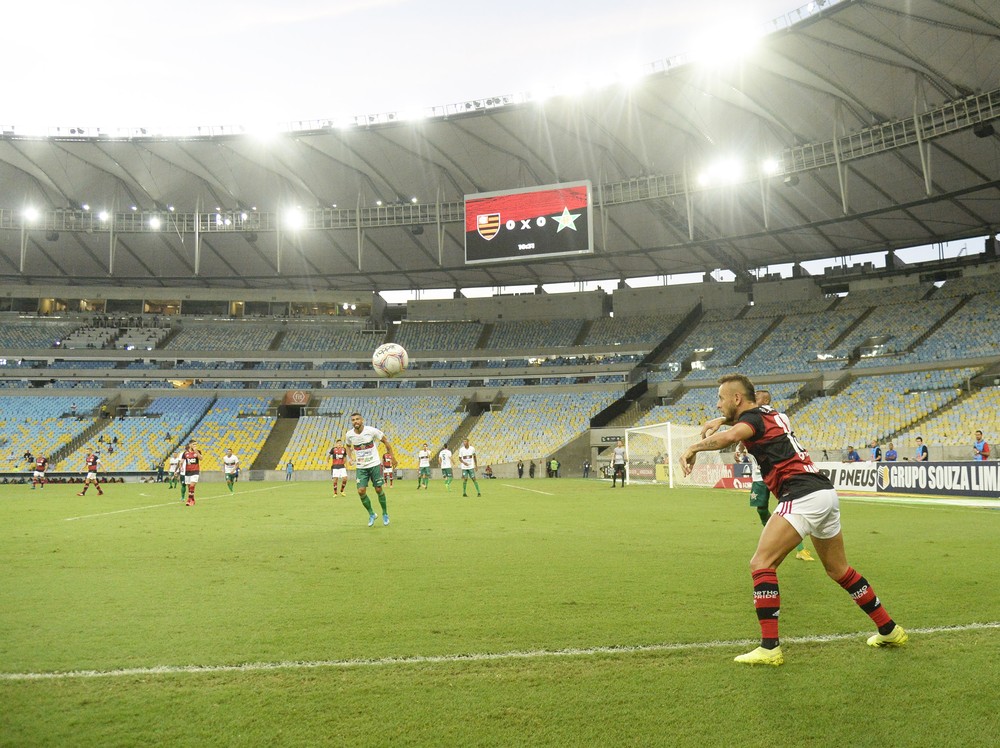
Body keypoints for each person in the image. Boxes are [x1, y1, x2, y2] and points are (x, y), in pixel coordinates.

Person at [681, 373, 907, 666]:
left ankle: (769, 647)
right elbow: (753, 414)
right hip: (824, 493)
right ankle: (888, 629)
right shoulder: (772, 414)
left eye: (721, 399)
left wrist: (693, 448)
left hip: (801, 495)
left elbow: (733, 436)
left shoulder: (751, 422)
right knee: (839, 570)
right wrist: (722, 419)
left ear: (736, 398)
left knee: (761, 563)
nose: (718, 404)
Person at [729, 391, 813, 562]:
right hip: (759, 476)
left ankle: (800, 549)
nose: (753, 401)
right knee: (761, 509)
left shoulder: (773, 418)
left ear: (765, 400)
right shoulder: (751, 421)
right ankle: (773, 537)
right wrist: (739, 449)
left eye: (756, 398)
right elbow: (743, 433)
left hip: (777, 474)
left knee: (789, 512)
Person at [344, 411, 395, 526]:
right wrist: (350, 458)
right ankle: (372, 514)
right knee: (361, 491)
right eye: (353, 420)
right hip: (361, 467)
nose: (355, 421)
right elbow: (347, 446)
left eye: (357, 419)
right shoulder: (349, 435)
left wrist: (392, 456)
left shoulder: (371, 431)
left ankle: (385, 513)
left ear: (362, 420)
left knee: (378, 489)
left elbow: (385, 441)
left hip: (374, 464)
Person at [180, 441, 202, 506]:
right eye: (193, 444)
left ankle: (189, 500)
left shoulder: (198, 451)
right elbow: (181, 461)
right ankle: (192, 500)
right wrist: (181, 467)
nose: (195, 445)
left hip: (195, 471)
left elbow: (201, 458)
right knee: (189, 487)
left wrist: (196, 451)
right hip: (188, 472)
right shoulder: (185, 453)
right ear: (190, 445)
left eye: (196, 444)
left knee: (192, 486)